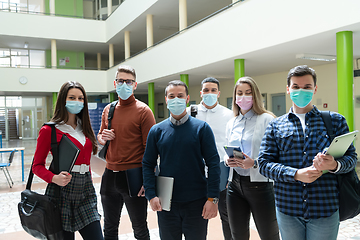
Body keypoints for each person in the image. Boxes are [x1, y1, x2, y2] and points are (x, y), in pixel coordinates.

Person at [258, 65, 357, 240]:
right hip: (288, 208)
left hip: (325, 206)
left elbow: (351, 159)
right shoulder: (275, 125)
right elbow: (264, 164)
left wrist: (334, 165)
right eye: (295, 87)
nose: (301, 91)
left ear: (315, 89)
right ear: (288, 89)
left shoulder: (335, 121)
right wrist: (295, 174)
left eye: (307, 87)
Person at [142, 80, 220, 240]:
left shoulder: (202, 128)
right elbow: (148, 164)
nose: (176, 99)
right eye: (172, 96)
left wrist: (213, 198)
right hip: (166, 202)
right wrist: (151, 194)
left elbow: (213, 164)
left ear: (187, 99)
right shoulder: (156, 130)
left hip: (197, 202)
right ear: (166, 99)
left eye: (180, 96)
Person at [33, 81, 104, 240]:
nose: (77, 102)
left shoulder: (84, 126)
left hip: (85, 190)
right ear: (63, 100)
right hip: (61, 191)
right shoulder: (49, 130)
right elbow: (37, 166)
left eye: (80, 98)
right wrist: (53, 178)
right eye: (72, 97)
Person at [97, 65, 155, 240]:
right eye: (121, 81)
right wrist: (103, 137)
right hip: (109, 174)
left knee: (139, 228)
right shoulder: (109, 109)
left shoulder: (144, 111)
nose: (124, 84)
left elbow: (151, 149)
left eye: (128, 81)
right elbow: (100, 137)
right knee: (109, 226)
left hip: (134, 175)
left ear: (135, 85)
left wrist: (148, 180)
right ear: (115, 83)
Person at [224, 76, 279, 240]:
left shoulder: (268, 120)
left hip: (260, 186)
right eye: (239, 93)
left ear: (255, 96)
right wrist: (228, 160)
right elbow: (227, 148)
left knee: (269, 235)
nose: (243, 97)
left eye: (248, 93)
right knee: (237, 235)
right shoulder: (232, 122)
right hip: (235, 185)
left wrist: (254, 163)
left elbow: (277, 156)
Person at [186, 77, 233, 240]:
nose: (210, 93)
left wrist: (230, 174)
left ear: (219, 93)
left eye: (213, 90)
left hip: (220, 170)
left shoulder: (228, 115)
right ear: (201, 93)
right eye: (206, 90)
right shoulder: (189, 113)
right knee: (197, 216)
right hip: (195, 172)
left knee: (227, 216)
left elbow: (230, 145)